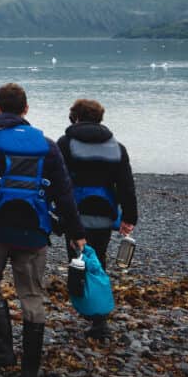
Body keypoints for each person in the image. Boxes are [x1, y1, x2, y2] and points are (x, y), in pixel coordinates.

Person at [0, 83, 86, 377]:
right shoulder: (48, 146)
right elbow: (65, 195)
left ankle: (3, 351)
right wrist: (77, 233)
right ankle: (30, 369)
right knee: (31, 294)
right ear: (26, 109)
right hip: (34, 234)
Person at [57, 98, 138, 340]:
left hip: (75, 214)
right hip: (104, 215)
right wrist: (130, 217)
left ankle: (92, 313)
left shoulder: (65, 143)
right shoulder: (117, 147)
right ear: (100, 118)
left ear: (75, 117)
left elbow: (58, 181)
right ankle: (97, 317)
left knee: (78, 260)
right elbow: (126, 185)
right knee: (97, 260)